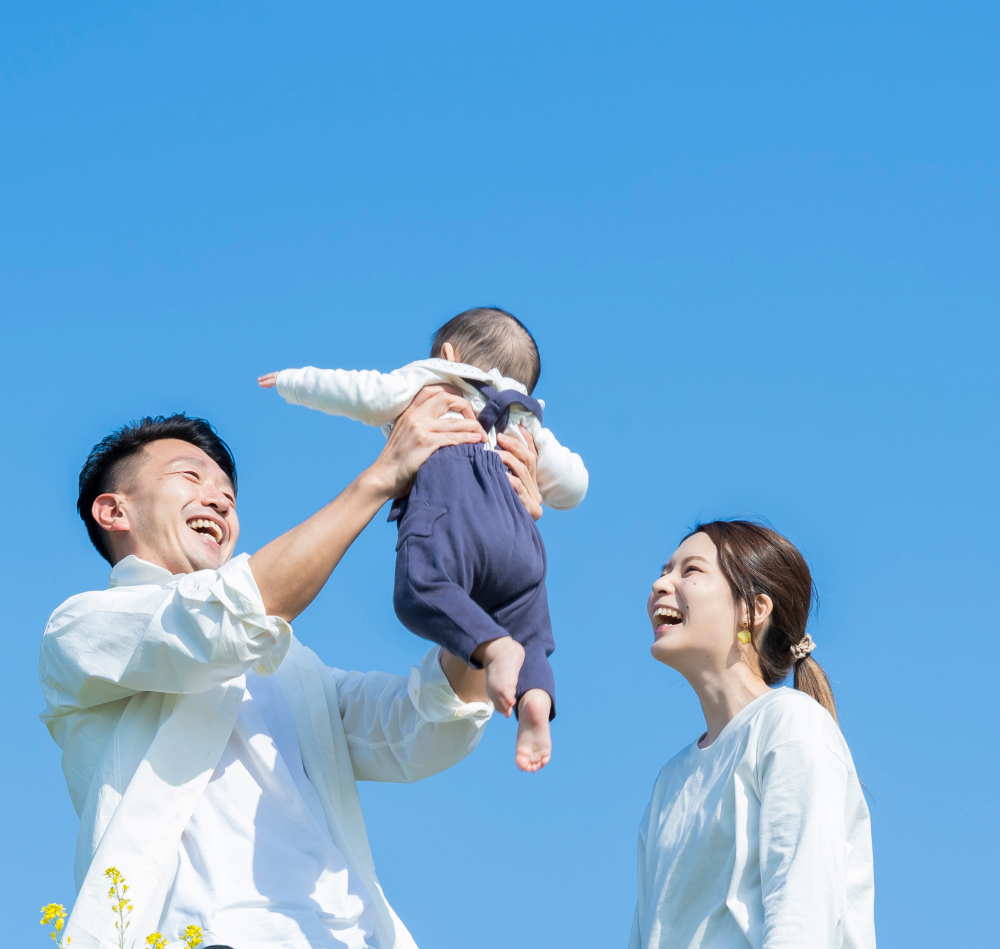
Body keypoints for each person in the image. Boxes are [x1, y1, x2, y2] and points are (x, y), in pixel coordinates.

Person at [40, 388, 542, 949]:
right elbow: (228, 617)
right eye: (190, 478)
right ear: (114, 511)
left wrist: (494, 538)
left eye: (228, 492)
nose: (220, 501)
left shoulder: (292, 669)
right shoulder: (83, 628)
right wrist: (381, 476)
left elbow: (422, 729)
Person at [259, 307, 588, 772]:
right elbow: (573, 486)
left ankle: (492, 648)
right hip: (522, 531)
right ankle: (536, 696)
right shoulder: (525, 419)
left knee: (421, 590)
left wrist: (295, 382)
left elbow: (363, 391)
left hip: (454, 514)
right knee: (529, 626)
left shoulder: (433, 382)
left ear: (449, 353)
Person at [629, 520, 875, 949]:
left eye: (690, 571)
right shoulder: (670, 781)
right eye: (665, 569)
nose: (660, 584)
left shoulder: (790, 725)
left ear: (752, 610)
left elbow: (805, 917)